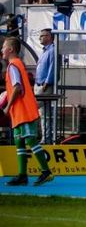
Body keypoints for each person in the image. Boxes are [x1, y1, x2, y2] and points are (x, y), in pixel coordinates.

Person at [2, 37, 55, 186]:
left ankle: (46, 171)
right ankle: (22, 175)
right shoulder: (15, 65)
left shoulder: (13, 66)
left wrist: (7, 106)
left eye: (4, 47)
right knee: (19, 141)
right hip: (18, 112)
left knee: (30, 140)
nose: (2, 50)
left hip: (23, 111)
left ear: (10, 49)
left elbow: (17, 88)